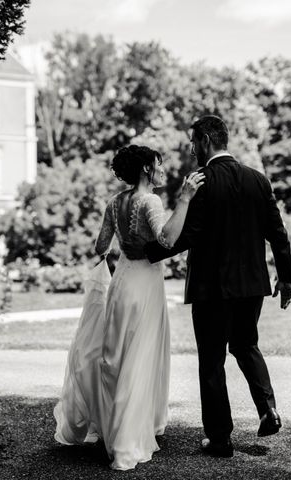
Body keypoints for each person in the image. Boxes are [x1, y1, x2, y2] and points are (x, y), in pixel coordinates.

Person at [126, 115, 291, 458]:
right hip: (251, 285)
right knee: (246, 345)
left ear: (205, 140)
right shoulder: (258, 180)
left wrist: (144, 252)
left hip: (211, 288)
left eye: (193, 143)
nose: (191, 150)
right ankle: (268, 409)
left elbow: (184, 237)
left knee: (212, 359)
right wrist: (287, 277)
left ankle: (220, 439)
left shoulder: (201, 184)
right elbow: (277, 233)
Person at [53, 145, 205, 470]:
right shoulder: (149, 200)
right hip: (145, 285)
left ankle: (113, 430)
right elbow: (166, 239)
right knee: (141, 356)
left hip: (121, 283)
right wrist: (185, 199)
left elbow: (99, 246)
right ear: (146, 170)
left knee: (117, 358)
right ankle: (129, 438)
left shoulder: (114, 202)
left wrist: (127, 242)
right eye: (158, 164)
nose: (162, 169)